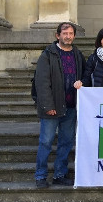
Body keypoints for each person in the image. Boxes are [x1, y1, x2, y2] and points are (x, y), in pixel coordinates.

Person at [33, 22, 85, 189]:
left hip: (70, 107)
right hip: (52, 107)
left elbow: (84, 75)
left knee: (66, 142)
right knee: (46, 142)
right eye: (65, 33)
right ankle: (40, 176)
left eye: (70, 33)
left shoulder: (77, 54)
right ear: (58, 35)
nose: (68, 36)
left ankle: (60, 174)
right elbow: (41, 83)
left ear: (74, 36)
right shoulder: (48, 54)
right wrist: (47, 105)